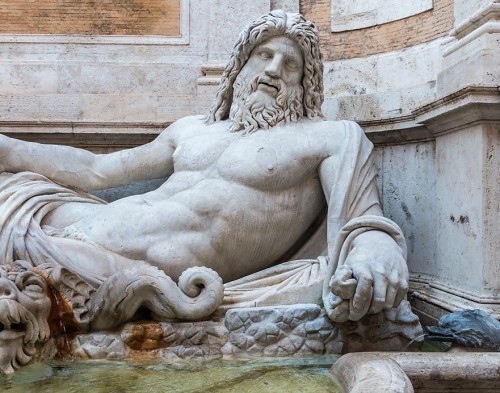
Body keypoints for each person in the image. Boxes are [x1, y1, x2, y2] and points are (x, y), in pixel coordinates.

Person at [0, 10, 408, 323]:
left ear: (305, 81)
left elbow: (363, 219)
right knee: (12, 189)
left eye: (290, 63)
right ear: (240, 67)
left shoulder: (330, 137)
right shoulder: (193, 129)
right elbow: (96, 171)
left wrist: (376, 251)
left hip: (135, 272)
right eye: (264, 55)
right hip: (86, 222)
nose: (273, 70)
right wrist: (9, 150)